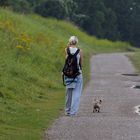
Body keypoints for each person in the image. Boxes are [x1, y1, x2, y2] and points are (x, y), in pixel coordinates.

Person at [64, 36, 83, 116]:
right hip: (77, 74)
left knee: (68, 92)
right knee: (77, 93)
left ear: (69, 42)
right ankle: (73, 112)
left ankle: (67, 111)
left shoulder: (66, 50)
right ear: (77, 42)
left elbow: (66, 61)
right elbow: (81, 63)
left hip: (68, 74)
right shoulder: (80, 51)